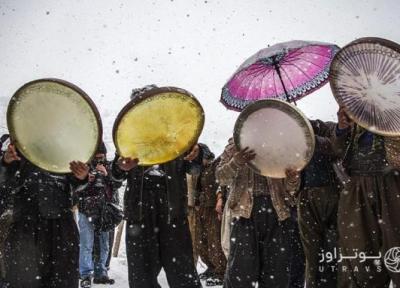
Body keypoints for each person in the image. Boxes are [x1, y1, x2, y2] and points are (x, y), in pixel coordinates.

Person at [111, 143, 202, 288]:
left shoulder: (177, 133)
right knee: (141, 275)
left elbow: (194, 168)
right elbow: (115, 177)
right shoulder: (131, 133)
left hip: (173, 209)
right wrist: (119, 167)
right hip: (139, 210)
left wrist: (196, 155)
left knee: (183, 272)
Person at [0, 142, 89, 288]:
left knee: (62, 278)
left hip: (61, 224)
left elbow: (78, 180)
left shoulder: (68, 140)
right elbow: (4, 180)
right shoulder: (19, 138)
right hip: (25, 224)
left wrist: (82, 177)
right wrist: (6, 162)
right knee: (22, 278)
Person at [216, 138, 299, 288]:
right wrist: (236, 161)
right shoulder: (236, 143)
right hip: (244, 215)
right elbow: (221, 177)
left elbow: (291, 190)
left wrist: (292, 179)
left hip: (278, 214)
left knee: (276, 274)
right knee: (240, 274)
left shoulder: (281, 145)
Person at [334, 107, 400, 287]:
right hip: (357, 186)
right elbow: (337, 149)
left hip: (392, 185)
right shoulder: (356, 108)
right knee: (358, 253)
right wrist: (342, 127)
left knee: (395, 247)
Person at [297, 119, 341, 288]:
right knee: (312, 252)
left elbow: (336, 147)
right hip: (306, 197)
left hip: (332, 194)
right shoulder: (296, 138)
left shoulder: (327, 128)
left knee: (337, 249)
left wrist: (311, 137)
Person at [77, 142, 119, 287]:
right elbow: (77, 188)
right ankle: (85, 275)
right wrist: (86, 180)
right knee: (86, 244)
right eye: (97, 158)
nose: (100, 160)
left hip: (105, 212)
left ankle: (101, 272)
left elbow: (116, 184)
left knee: (104, 244)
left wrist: (107, 175)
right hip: (86, 210)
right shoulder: (84, 167)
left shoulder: (110, 167)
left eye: (102, 157)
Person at [195, 151, 227, 286]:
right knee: (202, 241)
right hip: (202, 208)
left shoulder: (216, 165)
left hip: (213, 209)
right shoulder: (200, 169)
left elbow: (222, 183)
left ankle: (220, 272)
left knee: (214, 239)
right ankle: (211, 267)